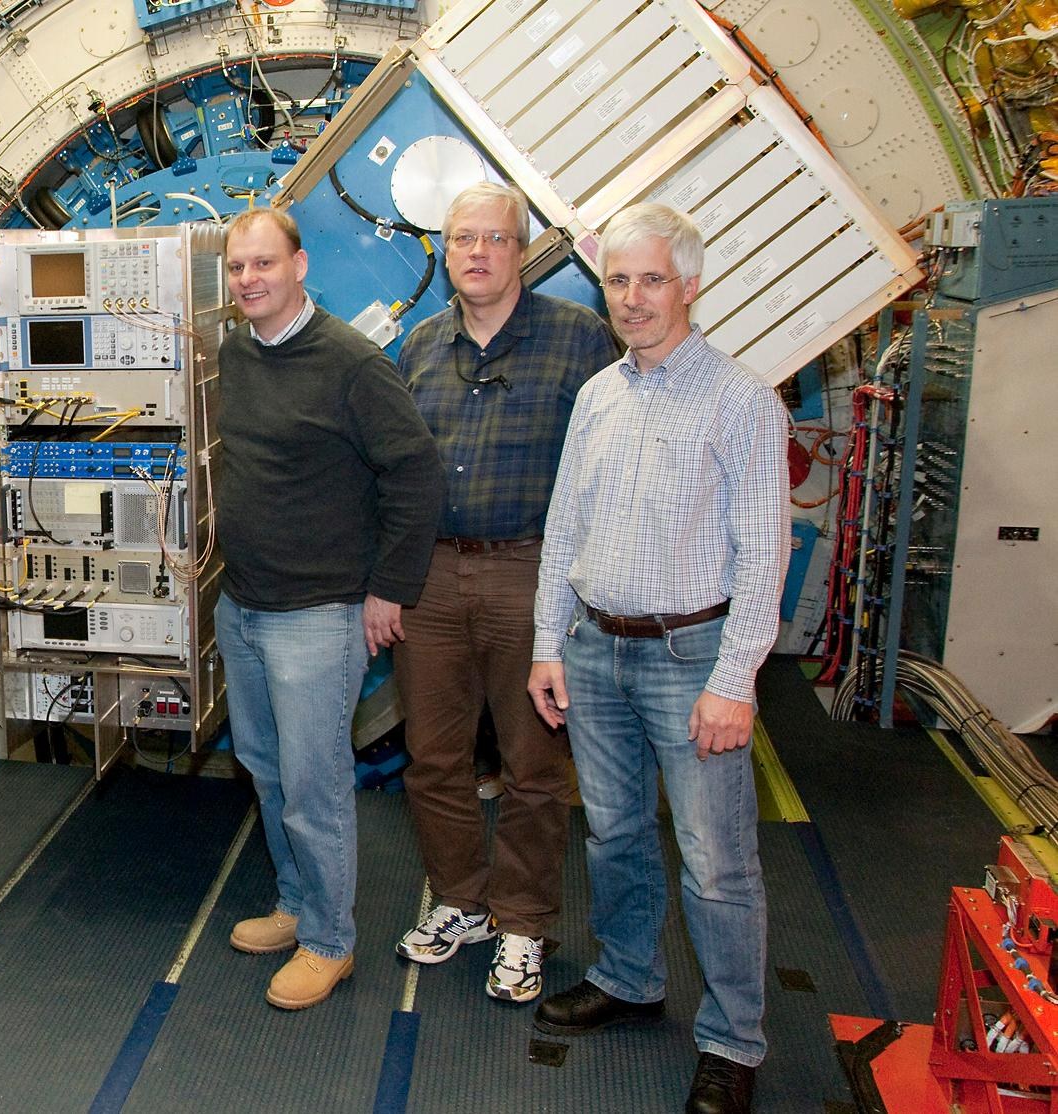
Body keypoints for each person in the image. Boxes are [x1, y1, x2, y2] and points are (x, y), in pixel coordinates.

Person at [527, 202, 787, 1114]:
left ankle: (732, 1040)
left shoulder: (741, 400)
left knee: (716, 863)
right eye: (617, 281)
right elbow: (563, 530)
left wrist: (733, 680)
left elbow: (763, 554)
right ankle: (628, 978)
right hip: (594, 650)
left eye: (650, 280)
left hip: (691, 657)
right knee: (613, 832)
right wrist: (546, 644)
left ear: (689, 286)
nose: (632, 299)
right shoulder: (597, 396)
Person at [391, 182, 620, 1003]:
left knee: (532, 764)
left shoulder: (578, 339)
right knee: (433, 756)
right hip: (429, 577)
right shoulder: (419, 347)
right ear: (445, 250)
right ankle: (460, 900)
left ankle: (522, 920)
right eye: (463, 238)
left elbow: (610, 464)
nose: (477, 252)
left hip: (532, 573)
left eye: (495, 238)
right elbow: (396, 474)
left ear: (521, 251)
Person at [215, 206, 443, 1010]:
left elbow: (415, 473)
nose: (248, 279)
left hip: (316, 615)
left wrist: (388, 588)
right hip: (242, 605)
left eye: (263, 263)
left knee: (314, 788)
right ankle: (294, 904)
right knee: (267, 771)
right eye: (237, 266)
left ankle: (329, 941)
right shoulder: (236, 352)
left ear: (299, 265)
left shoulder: (351, 362)